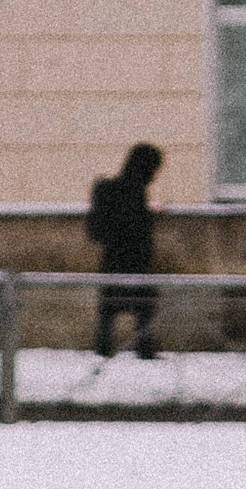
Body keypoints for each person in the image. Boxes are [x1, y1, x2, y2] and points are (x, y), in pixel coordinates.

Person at [88, 142, 165, 358]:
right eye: (154, 169)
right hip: (135, 259)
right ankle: (144, 349)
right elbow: (135, 224)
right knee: (144, 306)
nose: (155, 175)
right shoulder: (135, 191)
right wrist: (152, 215)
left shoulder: (109, 189)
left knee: (109, 307)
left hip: (112, 258)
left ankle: (104, 349)